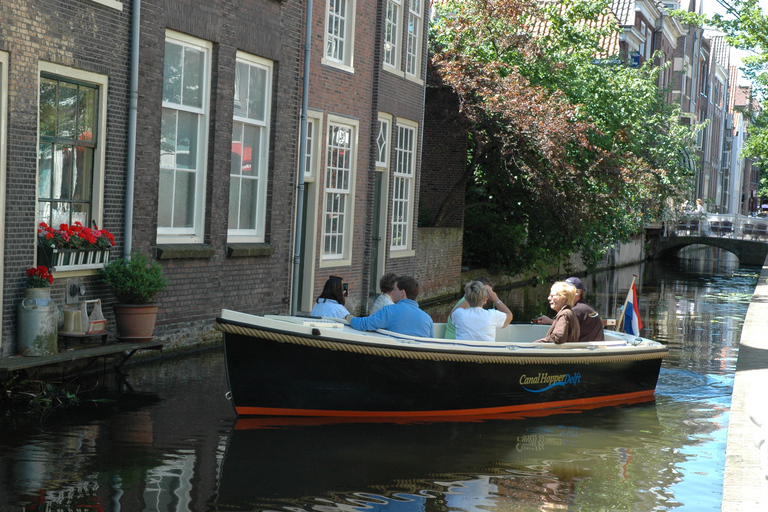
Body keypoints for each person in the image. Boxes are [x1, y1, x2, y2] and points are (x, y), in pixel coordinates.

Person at [345, 276, 433, 337]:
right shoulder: (428, 319)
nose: (392, 292)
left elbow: (362, 324)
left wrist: (348, 317)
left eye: (394, 289)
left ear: (402, 292)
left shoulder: (389, 311)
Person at [534, 276, 604, 341]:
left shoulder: (576, 310)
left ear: (577, 292)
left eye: (566, 290)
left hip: (583, 350)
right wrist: (549, 321)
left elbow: (561, 332)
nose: (564, 291)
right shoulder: (584, 307)